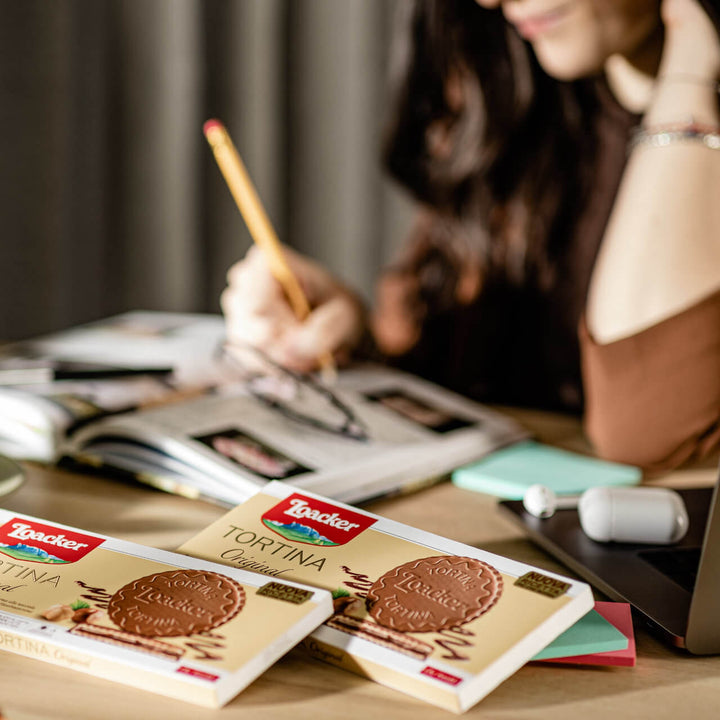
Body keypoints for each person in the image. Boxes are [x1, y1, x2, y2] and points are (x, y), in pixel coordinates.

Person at [221, 0, 720, 474]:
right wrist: (350, 345)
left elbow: (645, 431)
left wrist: (690, 74)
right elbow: (473, 378)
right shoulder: (520, 105)